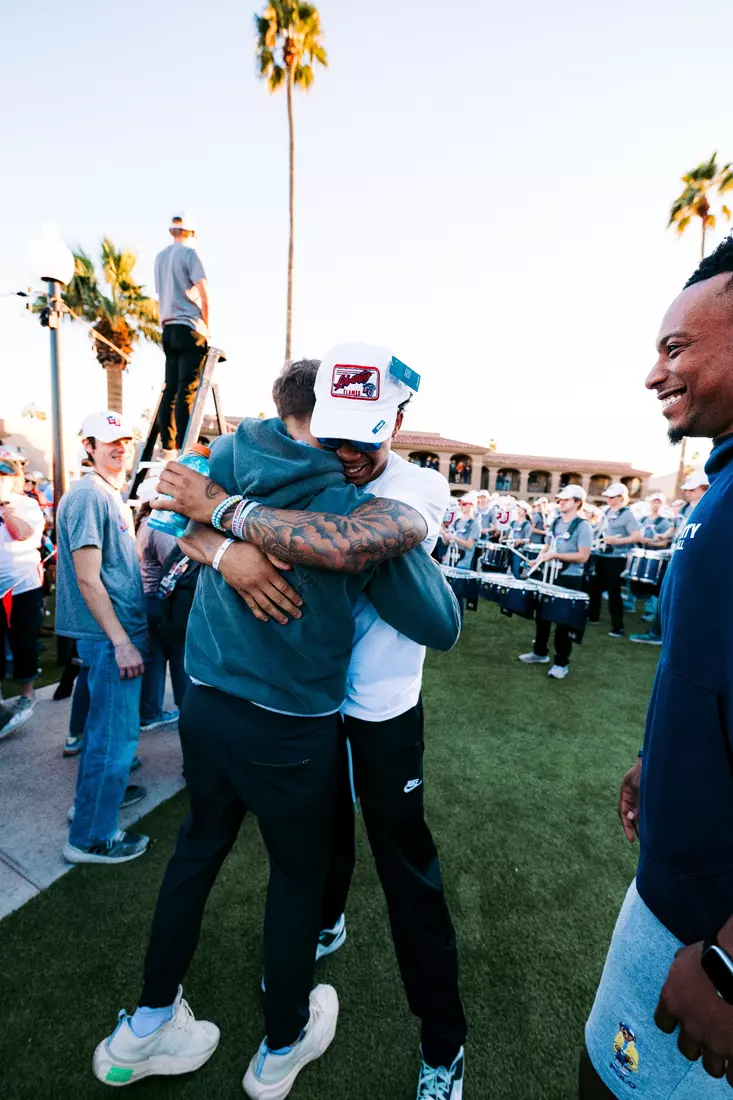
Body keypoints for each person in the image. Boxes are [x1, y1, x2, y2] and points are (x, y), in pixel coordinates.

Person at [92, 351, 461, 1098]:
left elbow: (355, 550)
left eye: (366, 436)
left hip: (376, 712)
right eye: (337, 433)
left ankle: (441, 1045)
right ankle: (290, 1009)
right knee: (307, 866)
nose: (350, 452)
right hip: (300, 712)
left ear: (396, 422)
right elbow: (175, 523)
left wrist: (227, 515)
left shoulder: (411, 485)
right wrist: (229, 554)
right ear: (316, 416)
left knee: (402, 871)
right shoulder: (268, 457)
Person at [581, 237, 733, 1098]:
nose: (652, 374)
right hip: (676, 891)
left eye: (675, 348)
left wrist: (728, 961)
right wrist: (663, 759)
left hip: (707, 931)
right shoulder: (722, 489)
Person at [55, 411, 148, 865]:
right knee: (113, 738)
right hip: (112, 637)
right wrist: (121, 641)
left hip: (113, 634)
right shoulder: (90, 495)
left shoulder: (105, 492)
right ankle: (91, 837)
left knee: (104, 734)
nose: (120, 447)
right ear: (88, 446)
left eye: (126, 440)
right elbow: (88, 578)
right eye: (109, 441)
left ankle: (92, 806)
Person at [518, 484, 592, 679]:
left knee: (563, 622)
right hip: (549, 574)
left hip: (569, 578)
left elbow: (583, 556)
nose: (561, 503)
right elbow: (548, 546)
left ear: (577, 503)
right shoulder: (556, 522)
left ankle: (561, 663)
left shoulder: (583, 526)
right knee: (542, 616)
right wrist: (539, 559)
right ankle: (539, 652)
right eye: (561, 500)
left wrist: (556, 555)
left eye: (566, 500)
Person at [629, 474, 709, 645]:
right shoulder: (684, 508)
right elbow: (674, 529)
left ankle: (668, 634)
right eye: (686, 490)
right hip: (676, 555)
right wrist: (663, 536)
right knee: (666, 594)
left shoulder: (709, 507)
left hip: (694, 561)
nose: (687, 492)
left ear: (704, 489)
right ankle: (659, 632)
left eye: (692, 490)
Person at [154, 212, 210, 456]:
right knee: (187, 390)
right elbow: (204, 295)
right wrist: (207, 329)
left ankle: (167, 445)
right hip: (189, 327)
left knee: (170, 388)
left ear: (171, 231)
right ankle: (184, 447)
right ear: (192, 233)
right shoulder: (190, 254)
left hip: (168, 328)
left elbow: (161, 295)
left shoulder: (160, 258)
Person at [0, 451, 45, 738]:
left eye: (5, 475)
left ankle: (27, 693)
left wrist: (5, 507)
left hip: (22, 584)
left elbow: (22, 533)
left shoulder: (26, 504)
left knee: (24, 640)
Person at [136, 503, 185, 731]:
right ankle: (187, 708)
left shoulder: (145, 523)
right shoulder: (160, 526)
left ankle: (149, 712)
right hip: (162, 600)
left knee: (155, 656)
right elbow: (174, 565)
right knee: (179, 655)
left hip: (149, 598)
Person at [587, 483, 641, 637]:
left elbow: (636, 536)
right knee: (594, 588)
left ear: (621, 498)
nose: (609, 499)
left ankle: (617, 626)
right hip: (601, 555)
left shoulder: (627, 514)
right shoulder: (606, 511)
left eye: (612, 497)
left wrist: (617, 541)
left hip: (616, 558)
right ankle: (593, 616)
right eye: (608, 497)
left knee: (614, 592)